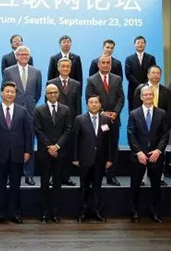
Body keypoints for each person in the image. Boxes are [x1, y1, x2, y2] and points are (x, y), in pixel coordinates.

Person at [0, 81, 33, 224]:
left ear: (15, 94)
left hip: (18, 153)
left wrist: (27, 151)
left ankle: (15, 213)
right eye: (7, 91)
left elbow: (28, 133)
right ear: (1, 93)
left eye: (12, 92)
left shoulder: (23, 111)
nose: (10, 94)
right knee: (0, 185)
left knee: (15, 185)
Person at [127, 86, 170, 223]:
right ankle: (134, 212)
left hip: (156, 156)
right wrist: (139, 152)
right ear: (141, 97)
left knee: (156, 186)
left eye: (150, 94)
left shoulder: (162, 113)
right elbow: (131, 134)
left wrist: (158, 151)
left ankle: (155, 212)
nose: (148, 97)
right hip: (138, 156)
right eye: (145, 95)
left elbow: (165, 134)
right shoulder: (134, 114)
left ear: (153, 96)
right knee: (135, 185)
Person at [2, 46, 41, 186]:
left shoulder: (36, 72)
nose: (24, 56)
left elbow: (37, 93)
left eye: (27, 54)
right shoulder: (8, 71)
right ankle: (8, 175)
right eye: (21, 54)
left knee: (29, 142)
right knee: (10, 142)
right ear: (16, 56)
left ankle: (29, 174)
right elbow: (5, 89)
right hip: (12, 111)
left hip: (30, 112)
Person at [34, 84, 72, 223]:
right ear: (46, 94)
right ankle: (44, 213)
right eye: (50, 92)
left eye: (55, 92)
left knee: (57, 184)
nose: (53, 94)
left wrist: (57, 146)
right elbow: (37, 130)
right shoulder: (39, 110)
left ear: (58, 93)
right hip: (44, 152)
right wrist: (49, 146)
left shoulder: (66, 110)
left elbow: (68, 130)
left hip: (60, 153)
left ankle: (55, 213)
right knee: (44, 183)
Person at [85, 55, 124, 186]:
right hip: (98, 120)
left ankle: (111, 176)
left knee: (113, 147)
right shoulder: (91, 80)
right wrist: (102, 113)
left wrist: (115, 113)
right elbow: (90, 98)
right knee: (99, 147)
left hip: (113, 120)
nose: (106, 65)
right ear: (98, 65)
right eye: (103, 63)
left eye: (108, 63)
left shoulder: (117, 79)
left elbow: (121, 98)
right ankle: (97, 175)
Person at [72, 95, 112, 222]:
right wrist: (75, 158)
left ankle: (97, 211)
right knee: (84, 187)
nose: (94, 104)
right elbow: (75, 140)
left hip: (100, 160)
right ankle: (82, 212)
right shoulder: (79, 119)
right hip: (84, 159)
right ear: (87, 105)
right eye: (91, 102)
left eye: (96, 102)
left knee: (97, 187)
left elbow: (110, 141)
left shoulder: (106, 119)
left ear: (100, 104)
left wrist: (109, 159)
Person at [132, 65, 171, 186]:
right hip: (142, 126)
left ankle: (159, 178)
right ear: (148, 75)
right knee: (143, 153)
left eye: (158, 73)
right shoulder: (140, 88)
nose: (156, 75)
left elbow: (170, 109)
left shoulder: (166, 91)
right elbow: (135, 107)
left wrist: (167, 126)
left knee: (159, 154)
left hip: (159, 128)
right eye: (153, 73)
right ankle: (142, 179)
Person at [47, 57, 81, 186]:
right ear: (58, 68)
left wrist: (77, 122)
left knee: (67, 151)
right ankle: (53, 177)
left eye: (68, 67)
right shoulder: (51, 82)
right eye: (63, 66)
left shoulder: (76, 84)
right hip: (55, 122)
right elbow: (48, 103)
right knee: (54, 151)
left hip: (71, 123)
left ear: (71, 69)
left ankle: (66, 177)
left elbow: (77, 104)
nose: (65, 69)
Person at [125, 35, 157, 111]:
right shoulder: (129, 59)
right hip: (133, 89)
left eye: (142, 43)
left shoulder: (151, 58)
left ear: (145, 44)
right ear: (134, 44)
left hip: (148, 89)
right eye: (138, 43)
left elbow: (152, 73)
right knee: (133, 112)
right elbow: (128, 74)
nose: (140, 44)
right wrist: (140, 85)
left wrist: (145, 85)